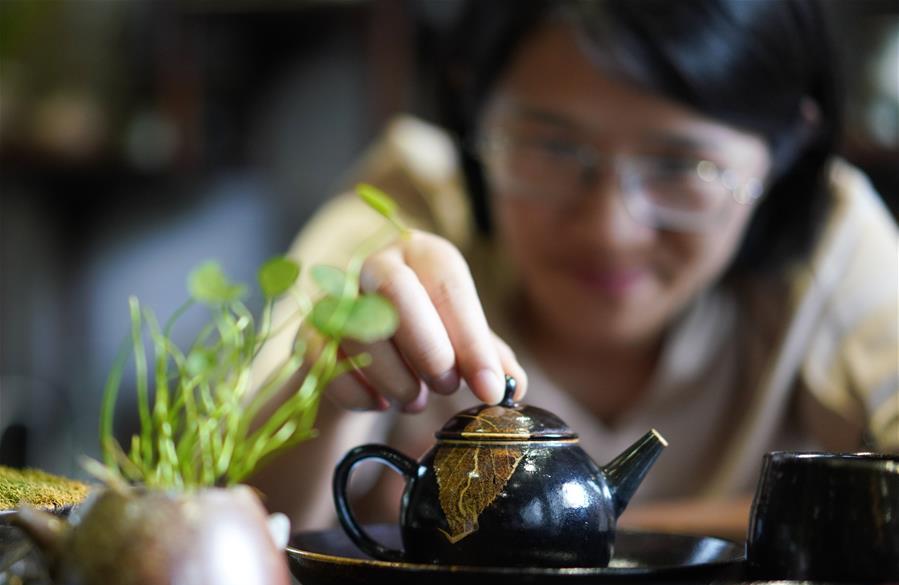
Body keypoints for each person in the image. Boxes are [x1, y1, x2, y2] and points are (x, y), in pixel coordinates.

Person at [250, 0, 898, 537]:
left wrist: (545, 537)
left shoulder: (830, 240)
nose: (607, 230)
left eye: (681, 167)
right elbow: (246, 518)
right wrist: (325, 384)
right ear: (472, 105)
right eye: (551, 148)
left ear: (784, 149)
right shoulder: (404, 207)